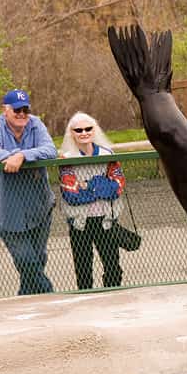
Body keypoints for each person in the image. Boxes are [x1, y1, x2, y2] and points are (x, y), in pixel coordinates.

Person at [0, 89, 58, 295]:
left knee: (38, 259)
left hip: (39, 206)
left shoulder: (35, 123)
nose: (22, 114)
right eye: (17, 110)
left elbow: (50, 150)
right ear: (5, 110)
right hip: (7, 208)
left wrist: (22, 155)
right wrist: (14, 156)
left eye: (25, 109)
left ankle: (25, 300)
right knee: (26, 260)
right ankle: (50, 296)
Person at [59, 112, 126, 290]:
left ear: (94, 130)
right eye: (78, 130)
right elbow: (71, 194)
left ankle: (111, 299)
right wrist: (101, 185)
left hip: (106, 220)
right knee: (83, 271)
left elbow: (117, 186)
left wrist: (88, 185)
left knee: (113, 268)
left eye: (88, 128)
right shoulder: (67, 158)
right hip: (80, 223)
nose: (84, 133)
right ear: (71, 133)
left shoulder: (107, 154)